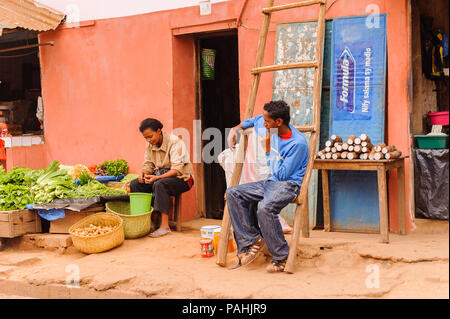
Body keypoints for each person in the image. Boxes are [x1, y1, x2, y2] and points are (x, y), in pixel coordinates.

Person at [226, 100, 309, 273]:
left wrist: (268, 150)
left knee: (265, 208)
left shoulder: (297, 143)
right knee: (233, 192)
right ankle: (251, 240)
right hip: (271, 183)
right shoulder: (268, 126)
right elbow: (254, 119)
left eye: (267, 121)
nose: (263, 124)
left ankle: (281, 256)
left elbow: (282, 175)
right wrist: (235, 129)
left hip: (288, 184)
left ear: (279, 122)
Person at [130, 118, 194, 237]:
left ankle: (165, 226)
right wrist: (144, 174)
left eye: (150, 136)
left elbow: (176, 170)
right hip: (161, 176)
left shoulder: (175, 142)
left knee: (160, 184)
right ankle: (146, 223)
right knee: (135, 184)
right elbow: (148, 164)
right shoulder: (149, 145)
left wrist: (156, 178)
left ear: (159, 131)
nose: (149, 140)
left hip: (183, 179)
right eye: (146, 138)